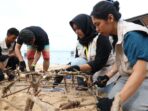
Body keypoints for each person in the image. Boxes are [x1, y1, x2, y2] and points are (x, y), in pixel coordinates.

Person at [91, 1, 148, 111]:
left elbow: (141, 72)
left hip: (144, 77)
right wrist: (107, 76)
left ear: (110, 18)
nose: (96, 29)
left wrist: (118, 100)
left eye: (98, 24)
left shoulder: (132, 35)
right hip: (127, 76)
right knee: (109, 98)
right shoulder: (115, 36)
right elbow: (121, 61)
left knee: (129, 106)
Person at [53, 14, 115, 91]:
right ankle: (82, 85)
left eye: (79, 28)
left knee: (103, 90)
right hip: (90, 72)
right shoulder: (79, 43)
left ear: (86, 26)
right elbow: (76, 61)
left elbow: (99, 63)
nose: (76, 32)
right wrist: (63, 71)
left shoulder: (101, 38)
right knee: (78, 61)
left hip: (105, 73)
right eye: (74, 29)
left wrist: (77, 68)